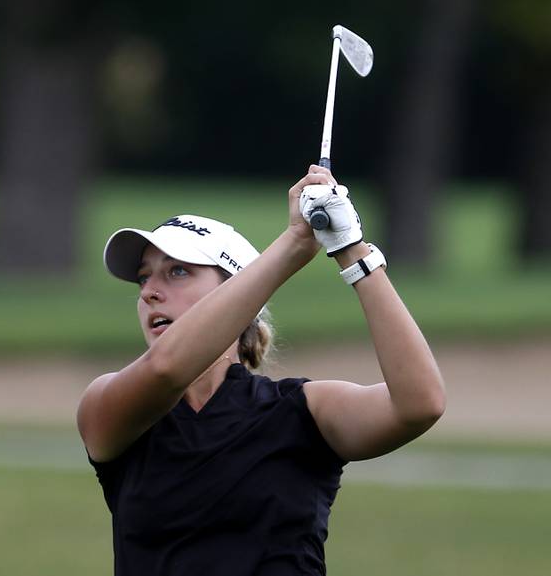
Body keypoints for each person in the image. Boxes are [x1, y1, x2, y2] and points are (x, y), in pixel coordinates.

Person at [77, 165, 446, 576]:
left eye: (177, 270)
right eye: (144, 278)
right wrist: (292, 245)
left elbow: (420, 403)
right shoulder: (108, 408)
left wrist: (351, 249)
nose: (149, 291)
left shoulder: (302, 412)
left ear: (238, 289)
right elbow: (166, 369)